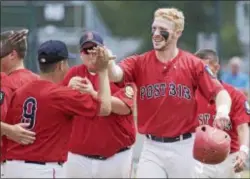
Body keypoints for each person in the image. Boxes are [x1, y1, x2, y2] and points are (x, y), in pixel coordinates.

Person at [92, 8, 232, 178]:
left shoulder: (192, 64)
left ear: (177, 33)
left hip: (184, 147)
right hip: (152, 147)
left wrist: (222, 111)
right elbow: (116, 74)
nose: (156, 34)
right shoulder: (140, 62)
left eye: (162, 30)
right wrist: (107, 63)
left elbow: (220, 92)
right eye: (154, 28)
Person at [3, 40, 112, 178]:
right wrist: (102, 71)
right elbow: (105, 108)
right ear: (61, 65)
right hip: (43, 170)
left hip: (13, 168)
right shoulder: (62, 95)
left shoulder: (20, 92)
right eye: (66, 63)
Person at [62, 30, 136, 178]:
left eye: (95, 49)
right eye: (87, 50)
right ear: (81, 54)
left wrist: (92, 93)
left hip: (116, 156)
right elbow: (60, 107)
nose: (91, 54)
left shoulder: (118, 73)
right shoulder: (74, 74)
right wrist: (66, 90)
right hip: (79, 158)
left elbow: (124, 107)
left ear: (104, 50)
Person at [194, 49, 250, 178]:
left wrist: (243, 152)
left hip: (229, 157)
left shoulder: (235, 95)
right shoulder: (191, 95)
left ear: (216, 68)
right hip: (201, 158)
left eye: (204, 68)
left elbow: (243, 127)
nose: (200, 73)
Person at [0, 29, 39, 177]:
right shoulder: (39, 80)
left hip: (8, 164)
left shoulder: (6, 82)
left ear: (12, 55)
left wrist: (8, 130)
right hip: (39, 163)